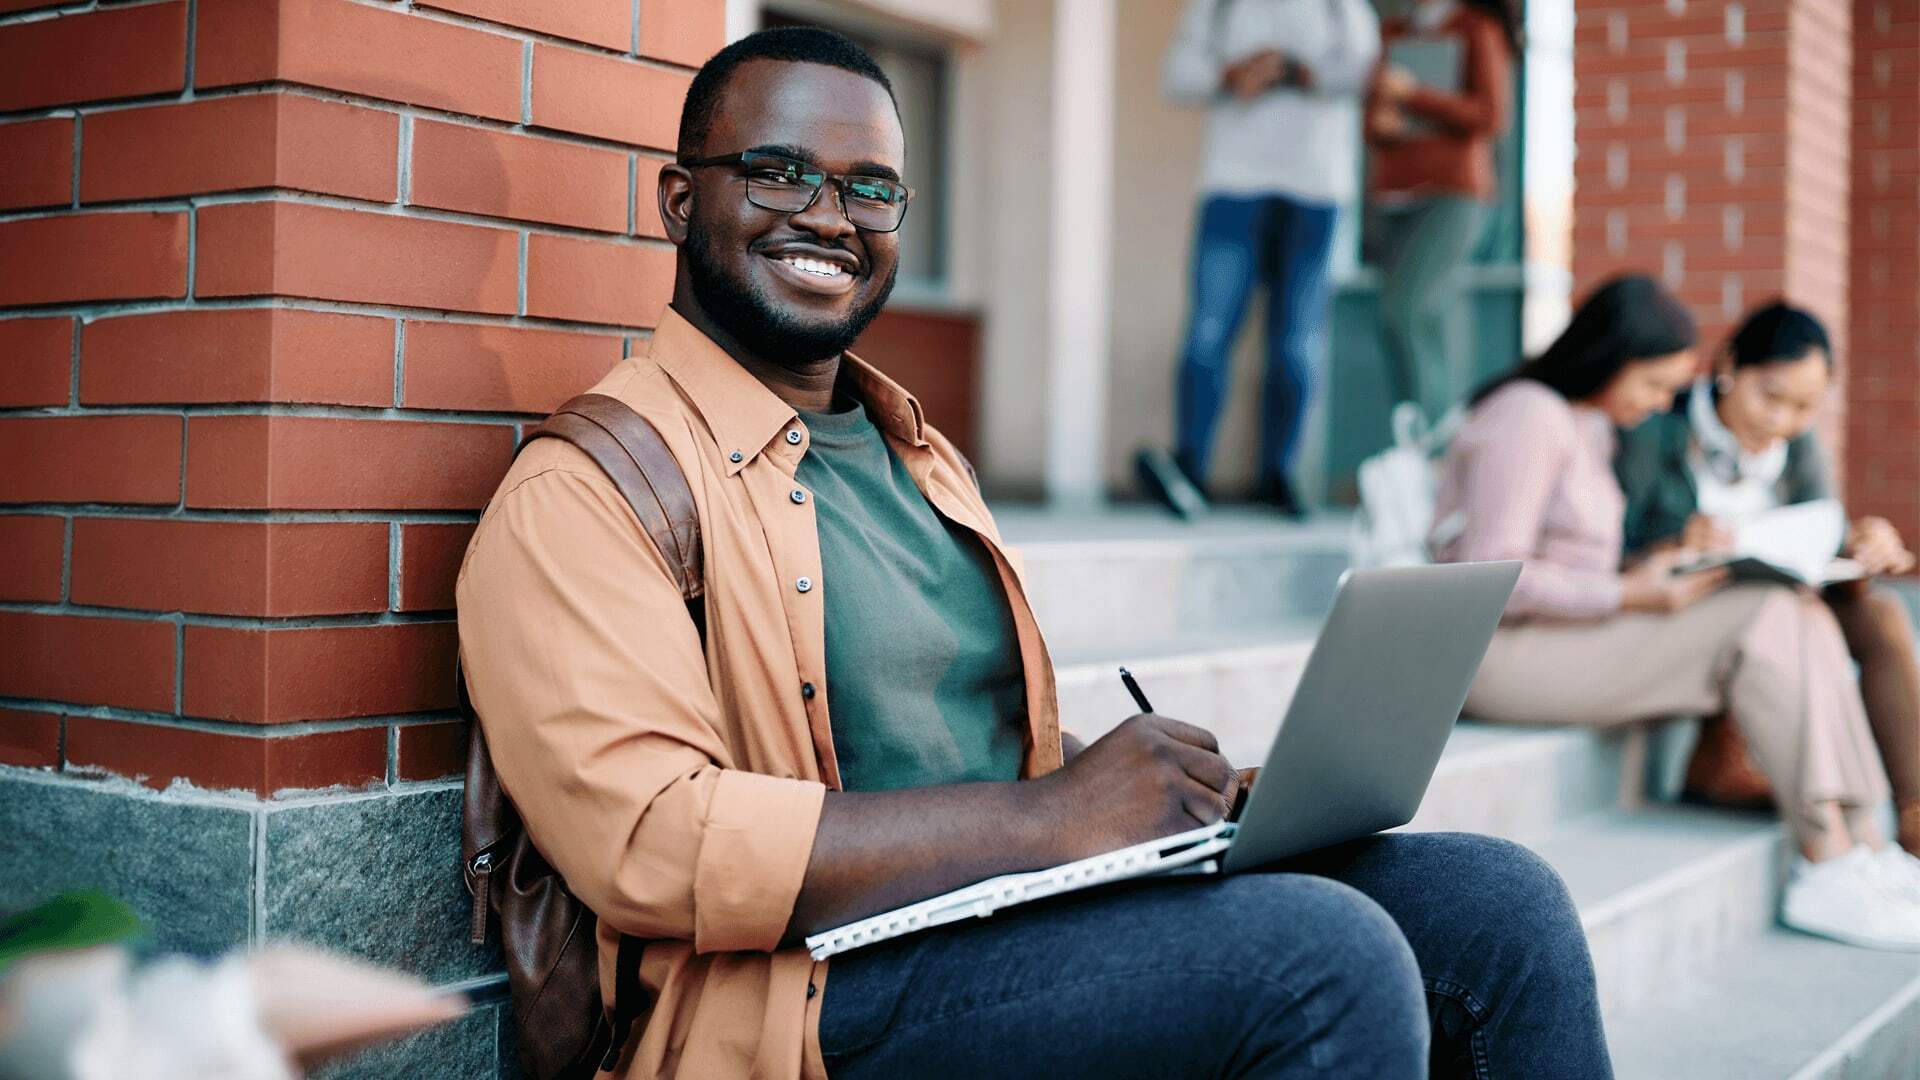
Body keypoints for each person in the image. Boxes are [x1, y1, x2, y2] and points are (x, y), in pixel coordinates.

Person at [458, 27, 1610, 1080]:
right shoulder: (590, 487)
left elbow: (965, 744)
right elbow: (651, 844)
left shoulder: (916, 454)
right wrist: (1050, 819)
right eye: (778, 171)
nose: (829, 215)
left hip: (1001, 906)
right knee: (1322, 961)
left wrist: (1151, 794)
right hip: (796, 998)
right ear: (675, 199)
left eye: (872, 189)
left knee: (1501, 909)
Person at [1431, 274, 1920, 952]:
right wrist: (1632, 593)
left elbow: (1578, 562)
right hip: (1497, 655)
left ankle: (1865, 843)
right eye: (1655, 386)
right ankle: (1826, 858)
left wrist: (1647, 571)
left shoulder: (1591, 425)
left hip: (1567, 634)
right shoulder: (1529, 414)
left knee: (1799, 609)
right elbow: (1486, 578)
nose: (1664, 403)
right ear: (1610, 358)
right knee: (1762, 611)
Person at [1615, 301, 1920, 854]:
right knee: (1783, 615)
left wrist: (1860, 544)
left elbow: (1816, 535)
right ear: (1729, 364)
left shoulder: (1798, 448)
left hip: (1781, 600)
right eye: (1771, 397)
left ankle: (1915, 815)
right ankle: (1807, 815)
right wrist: (1679, 543)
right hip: (1689, 610)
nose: (1781, 422)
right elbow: (1613, 551)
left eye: (1804, 407)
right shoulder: (1656, 431)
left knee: (1882, 612)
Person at [1140, 0, 1382, 519]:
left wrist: (1293, 70)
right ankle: (1190, 471)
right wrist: (1232, 73)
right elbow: (1178, 74)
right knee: (1207, 332)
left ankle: (1279, 473)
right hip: (1233, 184)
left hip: (1316, 188)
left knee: (1298, 342)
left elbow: (1366, 70)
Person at [1365, 0, 1518, 424]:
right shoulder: (1392, 33)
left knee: (1405, 309)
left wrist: (1413, 94)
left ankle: (1430, 443)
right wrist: (1380, 122)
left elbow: (1492, 115)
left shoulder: (1475, 28)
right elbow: (1369, 117)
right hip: (1395, 196)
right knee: (1420, 320)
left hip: (1454, 195)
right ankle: (1420, 440)